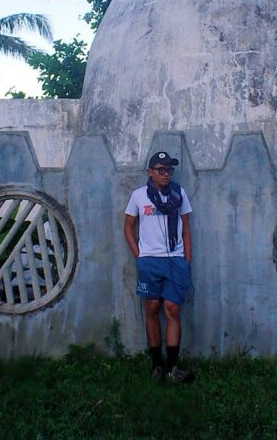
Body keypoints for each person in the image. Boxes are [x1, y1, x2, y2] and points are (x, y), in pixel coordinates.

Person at [123, 151, 194, 383]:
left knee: (172, 310)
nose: (166, 174)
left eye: (169, 170)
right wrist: (139, 256)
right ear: (150, 172)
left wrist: (186, 261)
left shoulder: (179, 194)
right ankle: (157, 366)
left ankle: (173, 368)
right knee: (152, 308)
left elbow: (186, 229)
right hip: (149, 261)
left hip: (175, 259)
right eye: (161, 170)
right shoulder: (138, 196)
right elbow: (128, 228)